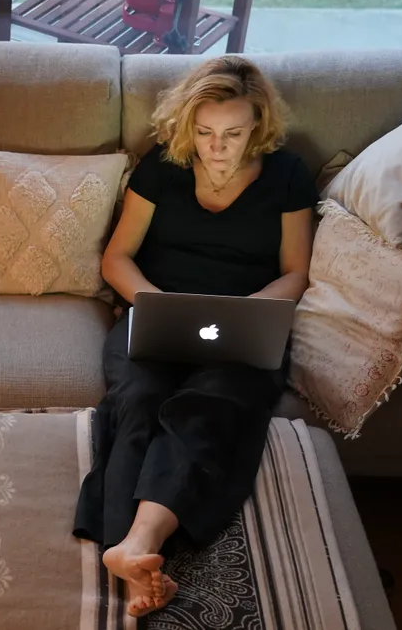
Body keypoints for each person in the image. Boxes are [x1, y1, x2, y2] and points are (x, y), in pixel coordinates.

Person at [73, 55, 318, 617]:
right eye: (205, 133)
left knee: (207, 404)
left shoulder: (287, 175)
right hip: (157, 308)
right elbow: (118, 258)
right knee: (137, 399)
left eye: (232, 134)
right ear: (188, 125)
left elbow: (295, 271)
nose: (217, 147)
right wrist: (157, 305)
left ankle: (136, 546)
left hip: (245, 318)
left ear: (258, 124)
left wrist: (250, 312)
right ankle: (136, 558)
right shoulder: (163, 165)